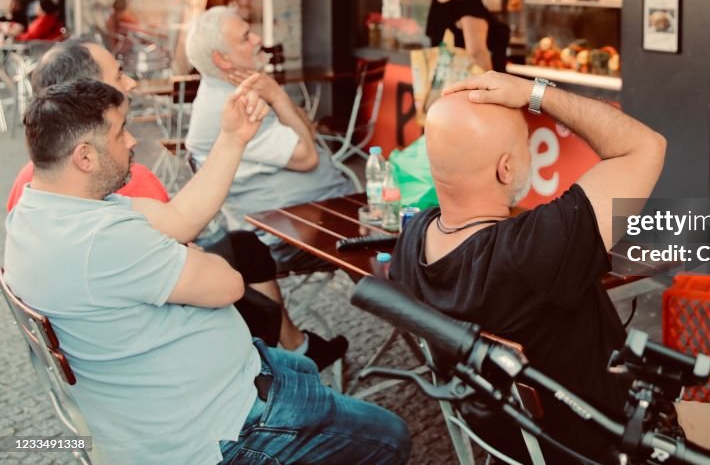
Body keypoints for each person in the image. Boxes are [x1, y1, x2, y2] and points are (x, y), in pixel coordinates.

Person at [5, 79, 410, 465]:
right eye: (120, 131)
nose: (131, 141)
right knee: (391, 436)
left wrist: (233, 138)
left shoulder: (36, 211)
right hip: (224, 429)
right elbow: (229, 284)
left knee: (300, 367)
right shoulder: (101, 242)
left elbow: (179, 219)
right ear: (85, 156)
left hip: (203, 390)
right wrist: (184, 253)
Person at [389, 71, 710, 463]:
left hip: (514, 443)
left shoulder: (412, 242)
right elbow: (644, 145)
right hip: (614, 444)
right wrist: (534, 92)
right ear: (505, 169)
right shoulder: (531, 250)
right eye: (525, 146)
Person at [5, 40, 347, 369]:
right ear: (87, 95)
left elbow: (178, 223)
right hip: (156, 353)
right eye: (117, 76)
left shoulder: (34, 188)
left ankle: (296, 349)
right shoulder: (117, 180)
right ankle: (291, 358)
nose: (132, 83)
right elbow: (209, 276)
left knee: (242, 246)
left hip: (91, 343)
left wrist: (232, 138)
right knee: (247, 256)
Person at [185, 6, 354, 273]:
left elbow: (306, 132)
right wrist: (277, 96)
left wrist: (276, 95)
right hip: (286, 233)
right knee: (400, 235)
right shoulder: (233, 105)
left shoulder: (240, 88)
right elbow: (308, 157)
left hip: (312, 212)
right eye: (245, 37)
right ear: (222, 60)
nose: (257, 41)